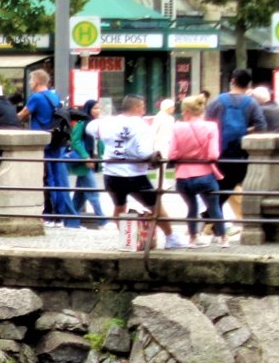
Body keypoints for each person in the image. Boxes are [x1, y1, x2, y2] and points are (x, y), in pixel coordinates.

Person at [91, 93, 179, 250]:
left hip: (111, 173)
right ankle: (170, 237)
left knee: (119, 206)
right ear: (137, 107)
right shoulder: (140, 125)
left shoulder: (108, 122)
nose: (144, 110)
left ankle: (127, 238)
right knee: (155, 205)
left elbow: (91, 128)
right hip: (134, 174)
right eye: (143, 107)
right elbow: (143, 152)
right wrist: (153, 155)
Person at [204, 68, 265, 223]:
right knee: (230, 185)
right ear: (248, 85)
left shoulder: (218, 101)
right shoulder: (251, 103)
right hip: (240, 153)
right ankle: (211, 219)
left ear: (232, 81)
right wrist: (246, 130)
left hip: (218, 151)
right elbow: (261, 126)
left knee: (219, 186)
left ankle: (210, 218)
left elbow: (207, 124)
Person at [170, 93, 228, 247]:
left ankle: (192, 238)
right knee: (214, 207)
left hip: (183, 176)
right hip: (205, 174)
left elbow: (172, 154)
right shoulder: (211, 126)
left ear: (187, 111)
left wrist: (184, 155)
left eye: (183, 111)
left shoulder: (177, 127)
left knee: (191, 208)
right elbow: (213, 154)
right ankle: (223, 239)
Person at [22, 68, 76, 228]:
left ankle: (49, 215)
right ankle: (59, 215)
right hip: (56, 141)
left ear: (37, 81)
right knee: (57, 178)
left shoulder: (36, 98)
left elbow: (23, 114)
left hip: (42, 142)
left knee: (47, 178)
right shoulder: (54, 95)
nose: (30, 83)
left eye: (31, 80)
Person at [67, 98, 107, 228]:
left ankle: (71, 221)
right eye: (95, 108)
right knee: (93, 192)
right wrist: (86, 157)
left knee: (81, 194)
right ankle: (102, 219)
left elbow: (99, 142)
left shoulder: (96, 124)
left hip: (91, 160)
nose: (97, 111)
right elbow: (75, 141)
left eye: (99, 108)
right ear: (88, 109)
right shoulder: (83, 122)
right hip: (85, 161)